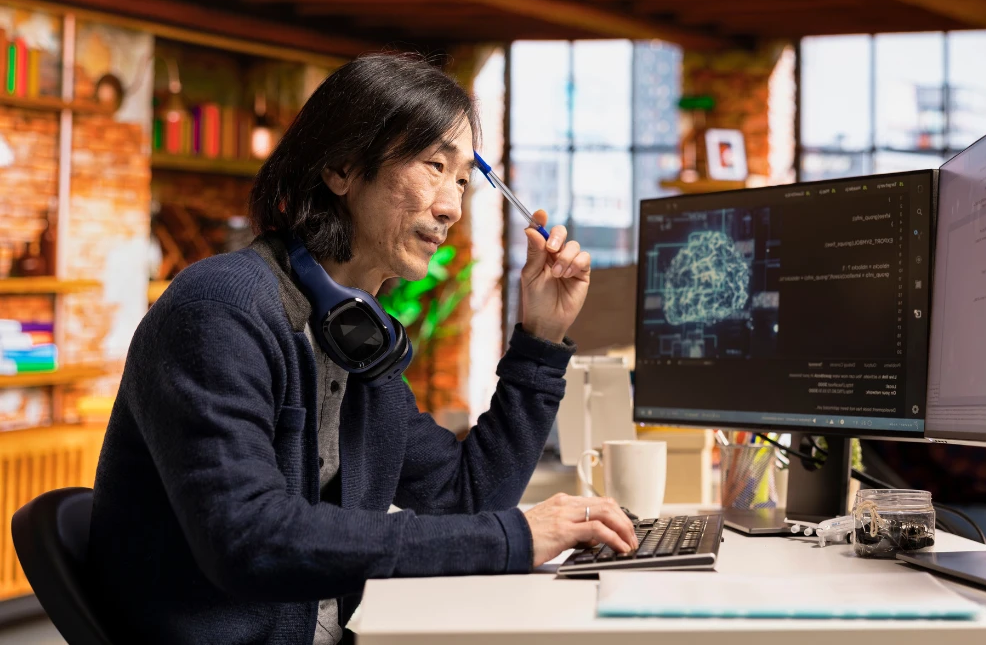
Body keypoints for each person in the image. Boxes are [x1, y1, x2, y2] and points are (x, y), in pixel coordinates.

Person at [87, 53, 637, 645]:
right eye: (433, 166)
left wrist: (540, 340)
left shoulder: (353, 338)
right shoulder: (221, 311)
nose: (452, 207)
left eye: (461, 180)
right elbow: (249, 538)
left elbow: (465, 497)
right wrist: (517, 535)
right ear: (343, 167)